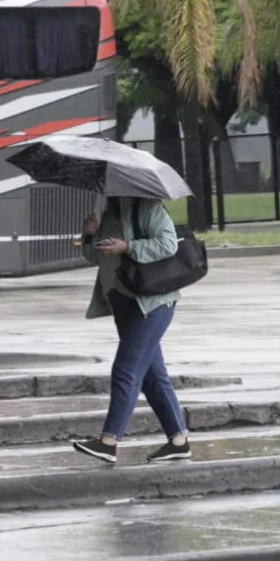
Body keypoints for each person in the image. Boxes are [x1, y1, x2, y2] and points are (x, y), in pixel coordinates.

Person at [71, 196, 189, 465]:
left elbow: (168, 244)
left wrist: (128, 246)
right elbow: (96, 256)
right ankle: (178, 441)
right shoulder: (108, 210)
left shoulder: (147, 208)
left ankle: (109, 441)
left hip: (152, 304)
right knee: (152, 377)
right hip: (123, 304)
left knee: (126, 369)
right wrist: (88, 235)